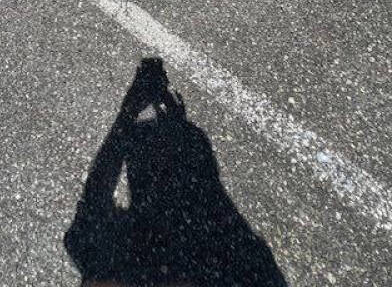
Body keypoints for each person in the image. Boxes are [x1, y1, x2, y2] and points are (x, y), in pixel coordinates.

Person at [65, 59, 287, 286]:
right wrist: (128, 115)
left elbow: (98, 188)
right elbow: (99, 186)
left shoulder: (90, 248)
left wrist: (127, 114)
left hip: (172, 204)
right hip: (197, 217)